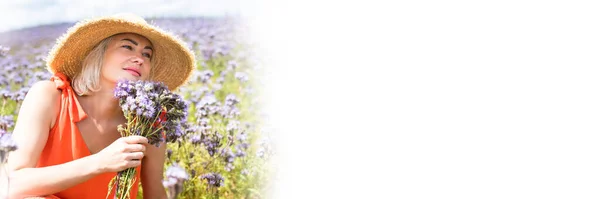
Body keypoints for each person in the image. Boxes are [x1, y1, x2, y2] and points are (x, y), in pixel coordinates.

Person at [5, 13, 195, 199]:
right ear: (98, 54)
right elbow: (11, 184)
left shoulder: (149, 123)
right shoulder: (50, 96)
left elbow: (155, 193)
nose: (140, 59)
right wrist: (100, 162)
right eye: (127, 47)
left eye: (147, 54)